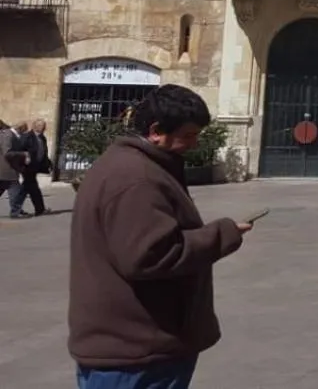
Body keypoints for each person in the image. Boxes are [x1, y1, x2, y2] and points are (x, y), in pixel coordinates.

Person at [69, 83, 251, 389]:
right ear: (156, 131)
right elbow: (150, 256)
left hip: (132, 346)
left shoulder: (131, 166)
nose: (194, 144)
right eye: (188, 135)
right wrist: (223, 234)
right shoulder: (137, 178)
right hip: (136, 353)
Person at [20, 118, 50, 215]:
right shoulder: (27, 136)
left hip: (35, 166)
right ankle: (39, 209)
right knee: (33, 188)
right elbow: (20, 149)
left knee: (26, 188)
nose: (42, 127)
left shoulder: (42, 138)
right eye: (39, 125)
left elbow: (43, 152)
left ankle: (16, 208)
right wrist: (26, 157)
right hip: (27, 166)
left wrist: (48, 163)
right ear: (34, 126)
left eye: (43, 126)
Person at [4, 118, 31, 219]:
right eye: (24, 130)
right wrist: (23, 154)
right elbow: (7, 153)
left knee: (15, 191)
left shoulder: (11, 135)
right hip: (6, 169)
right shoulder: (8, 135)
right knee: (17, 191)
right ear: (20, 128)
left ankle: (16, 210)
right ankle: (16, 211)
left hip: (8, 170)